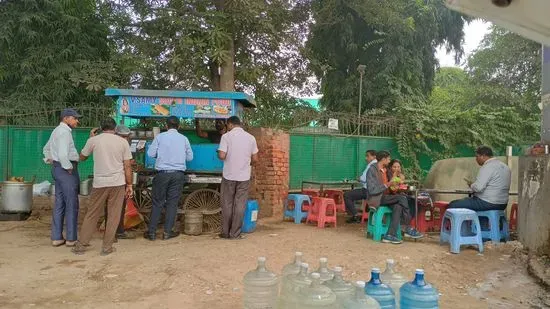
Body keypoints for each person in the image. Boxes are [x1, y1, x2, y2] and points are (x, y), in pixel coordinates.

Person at [71, 118, 133, 256]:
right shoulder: (123, 142)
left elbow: (82, 157)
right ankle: (106, 247)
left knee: (92, 213)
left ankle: (81, 245)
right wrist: (129, 184)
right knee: (114, 215)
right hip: (118, 183)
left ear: (100, 127)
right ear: (115, 128)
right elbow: (127, 166)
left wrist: (91, 139)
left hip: (99, 183)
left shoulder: (94, 140)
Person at [144, 116, 193, 241]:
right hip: (178, 174)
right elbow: (189, 158)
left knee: (157, 203)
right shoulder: (184, 139)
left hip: (162, 174)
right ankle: (167, 232)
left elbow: (150, 154)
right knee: (172, 203)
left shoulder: (160, 137)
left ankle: (152, 233)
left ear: (166, 126)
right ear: (179, 126)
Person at [42, 108, 82, 247]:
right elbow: (64, 154)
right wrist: (68, 166)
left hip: (57, 169)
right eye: (75, 118)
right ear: (66, 118)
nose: (77, 121)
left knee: (59, 204)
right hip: (66, 171)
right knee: (72, 204)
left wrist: (50, 159)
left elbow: (46, 149)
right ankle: (71, 238)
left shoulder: (56, 131)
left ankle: (57, 237)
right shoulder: (65, 133)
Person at [366, 151, 423, 244]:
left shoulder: (385, 170)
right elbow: (372, 190)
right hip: (377, 198)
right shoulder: (372, 170)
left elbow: (392, 185)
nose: (389, 161)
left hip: (386, 197)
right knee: (402, 199)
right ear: (383, 159)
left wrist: (395, 182)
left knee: (398, 206)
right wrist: (388, 184)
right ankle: (406, 227)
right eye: (388, 159)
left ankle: (389, 235)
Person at [217, 116, 258, 239]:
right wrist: (247, 164)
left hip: (229, 175)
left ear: (230, 124)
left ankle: (225, 232)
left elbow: (222, 155)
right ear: (239, 124)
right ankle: (235, 233)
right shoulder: (251, 138)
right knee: (240, 204)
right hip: (244, 176)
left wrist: (219, 154)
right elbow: (255, 159)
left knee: (227, 203)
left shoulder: (226, 137)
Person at [449, 146, 511, 211]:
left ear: (483, 156)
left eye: (477, 156)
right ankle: (483, 221)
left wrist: (472, 185)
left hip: (487, 203)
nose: (476, 159)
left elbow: (478, 188)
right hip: (502, 204)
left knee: (453, 204)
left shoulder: (487, 166)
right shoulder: (505, 167)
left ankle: (462, 221)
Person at [102, 125, 136, 240]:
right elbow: (126, 165)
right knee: (113, 207)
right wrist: (130, 184)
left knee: (118, 207)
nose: (125, 139)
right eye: (123, 136)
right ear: (116, 134)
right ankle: (112, 233)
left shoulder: (121, 145)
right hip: (112, 180)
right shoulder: (115, 144)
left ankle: (117, 231)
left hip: (115, 180)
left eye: (126, 137)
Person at [343, 150, 377, 223]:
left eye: (368, 156)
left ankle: (355, 215)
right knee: (353, 193)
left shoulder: (371, 165)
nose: (366, 158)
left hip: (367, 191)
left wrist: (359, 178)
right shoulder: (377, 164)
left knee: (347, 195)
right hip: (375, 190)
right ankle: (358, 214)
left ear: (374, 157)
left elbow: (363, 179)